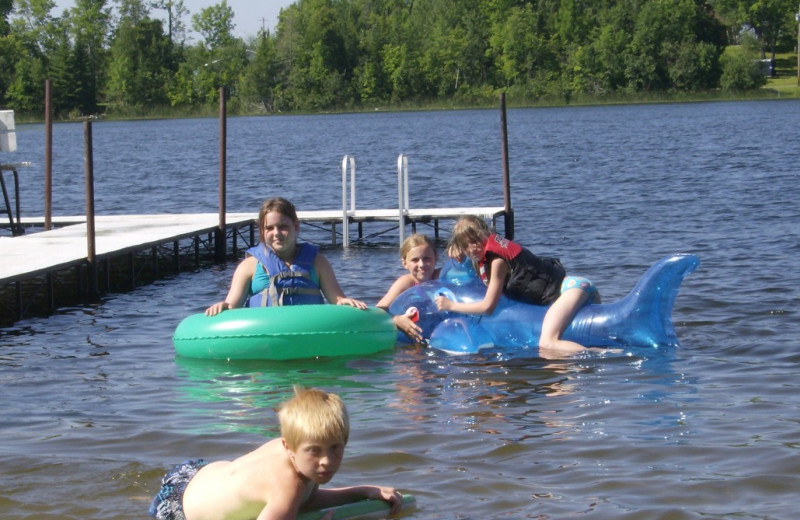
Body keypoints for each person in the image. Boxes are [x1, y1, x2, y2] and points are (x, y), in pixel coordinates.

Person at [149, 387, 404, 520]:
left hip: (194, 473)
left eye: (335, 448)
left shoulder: (296, 452)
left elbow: (305, 500)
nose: (326, 460)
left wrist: (363, 492)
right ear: (288, 447)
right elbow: (292, 497)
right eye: (314, 451)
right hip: (178, 510)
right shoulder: (287, 484)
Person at [434, 215, 600, 357]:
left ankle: (600, 357)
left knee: (548, 342)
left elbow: (488, 307)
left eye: (475, 241)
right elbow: (470, 269)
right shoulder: (484, 257)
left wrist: (452, 305)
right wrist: (457, 252)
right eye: (465, 245)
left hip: (571, 291)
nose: (472, 248)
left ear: (487, 233)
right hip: (574, 289)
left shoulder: (498, 262)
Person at [206, 198, 366, 316]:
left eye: (283, 227)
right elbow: (232, 304)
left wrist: (343, 302)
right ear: (261, 231)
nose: (276, 233)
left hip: (309, 333)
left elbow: (336, 298)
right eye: (269, 228)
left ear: (296, 227)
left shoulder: (317, 262)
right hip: (264, 336)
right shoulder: (248, 266)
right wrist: (224, 306)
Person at [376, 234, 441, 343]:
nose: (421, 264)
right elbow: (378, 311)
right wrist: (396, 320)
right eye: (415, 260)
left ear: (436, 258)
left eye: (427, 258)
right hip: (412, 341)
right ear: (405, 263)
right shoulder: (406, 283)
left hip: (439, 336)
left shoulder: (440, 276)